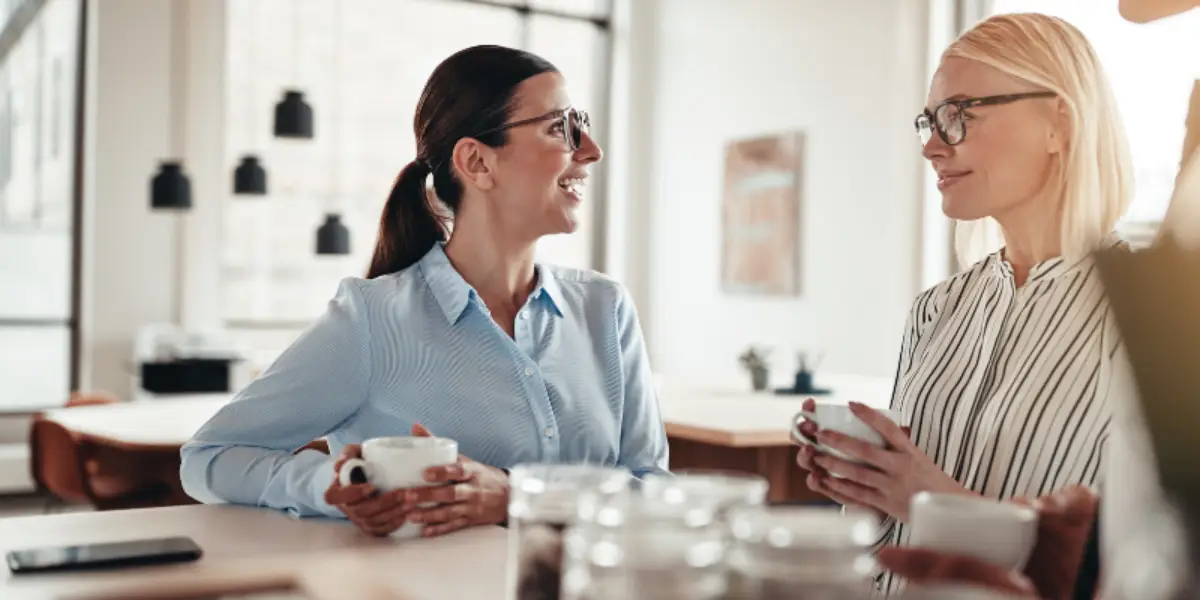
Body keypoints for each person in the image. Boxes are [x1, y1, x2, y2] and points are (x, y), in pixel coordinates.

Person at [179, 45, 669, 538]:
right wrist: (333, 485)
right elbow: (209, 458)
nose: (591, 149)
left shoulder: (606, 310)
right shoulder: (371, 321)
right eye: (559, 127)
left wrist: (517, 497)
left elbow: (650, 487)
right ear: (477, 161)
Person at [793, 12, 1133, 595]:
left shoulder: (1156, 322)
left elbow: (1141, 569)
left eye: (958, 115)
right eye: (929, 120)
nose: (930, 146)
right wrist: (866, 489)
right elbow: (889, 551)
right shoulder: (935, 311)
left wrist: (927, 497)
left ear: (1059, 123)